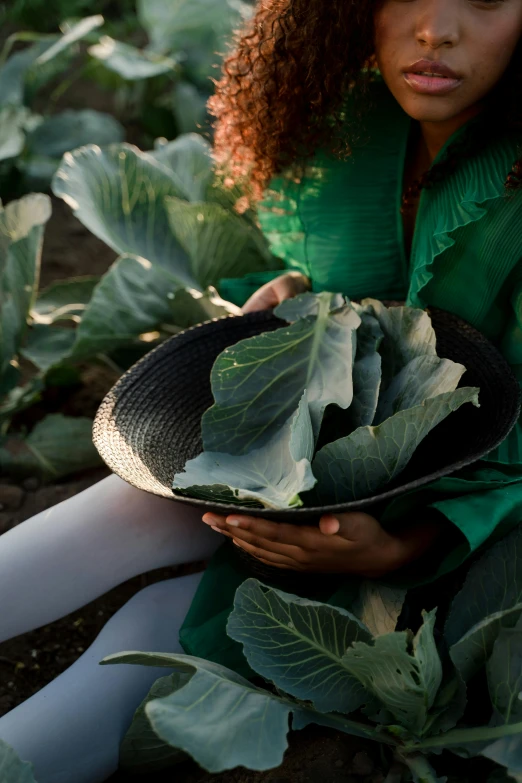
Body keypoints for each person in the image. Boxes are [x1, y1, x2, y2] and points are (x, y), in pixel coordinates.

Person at [1, 1, 522, 781]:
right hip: (312, 476)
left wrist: (401, 547)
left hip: (478, 539)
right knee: (136, 504)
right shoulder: (346, 123)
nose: (434, 29)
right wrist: (284, 304)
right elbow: (324, 278)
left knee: (165, 629)